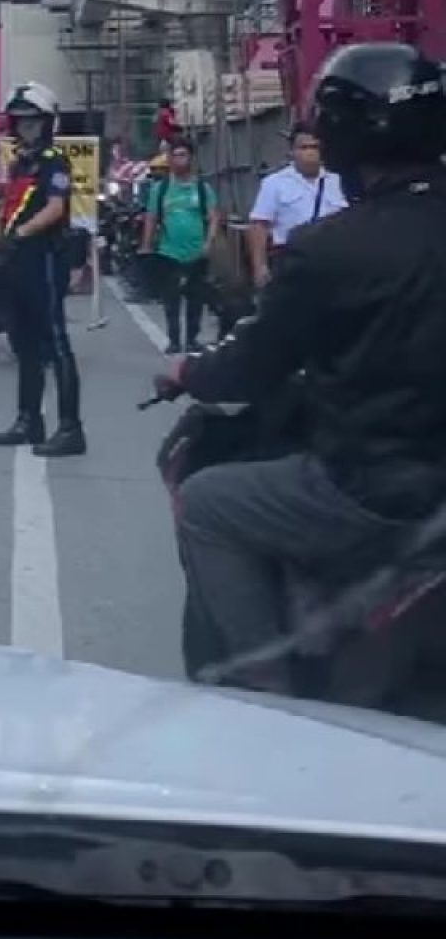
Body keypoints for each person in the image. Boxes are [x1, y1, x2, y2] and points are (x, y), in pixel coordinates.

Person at [156, 40, 446, 694]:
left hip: (376, 493)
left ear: (340, 137)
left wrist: (186, 373)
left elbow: (250, 366)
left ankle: (267, 693)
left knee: (206, 503)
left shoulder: (330, 249)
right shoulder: (306, 220)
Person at [0, 81, 86, 459]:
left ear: (46, 124)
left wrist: (20, 234)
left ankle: (71, 428)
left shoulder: (53, 161)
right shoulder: (19, 164)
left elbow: (56, 208)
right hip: (18, 261)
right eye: (21, 122)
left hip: (45, 258)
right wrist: (0, 240)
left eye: (33, 122)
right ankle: (28, 420)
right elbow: (9, 208)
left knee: (56, 343)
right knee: (25, 344)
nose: (26, 128)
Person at [141, 135, 219, 356]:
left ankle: (192, 339)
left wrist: (208, 243)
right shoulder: (161, 189)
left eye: (183, 155)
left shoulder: (202, 189)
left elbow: (213, 217)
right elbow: (152, 218)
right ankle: (174, 340)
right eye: (174, 155)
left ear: (191, 158)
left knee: (196, 300)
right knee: (171, 299)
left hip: (197, 252)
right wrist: (146, 245)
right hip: (168, 251)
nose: (178, 160)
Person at [245, 120, 346, 287]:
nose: (310, 153)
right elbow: (259, 226)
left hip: (333, 262)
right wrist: (260, 266)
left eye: (315, 147)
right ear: (292, 151)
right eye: (304, 148)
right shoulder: (274, 184)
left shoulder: (337, 181)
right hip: (290, 262)